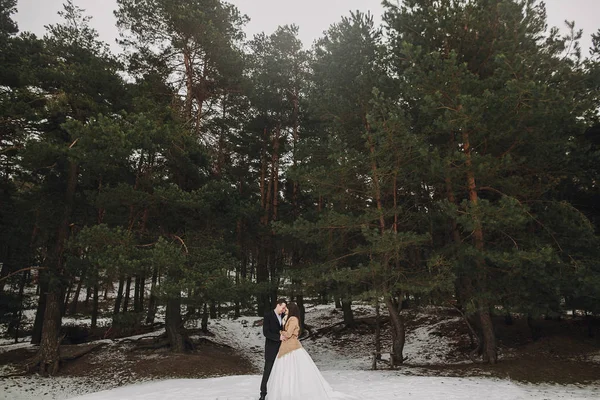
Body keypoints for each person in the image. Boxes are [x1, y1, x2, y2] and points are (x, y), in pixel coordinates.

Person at [266, 302, 354, 400]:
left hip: (291, 347)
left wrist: (280, 332)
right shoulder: (290, 318)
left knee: (292, 370)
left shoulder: (293, 319)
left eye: (287, 309)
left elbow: (289, 333)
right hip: (287, 347)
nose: (285, 310)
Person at [259, 299, 287, 400]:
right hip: (271, 348)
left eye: (285, 308)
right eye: (283, 307)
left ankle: (278, 393)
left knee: (281, 370)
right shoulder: (268, 315)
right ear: (278, 305)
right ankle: (263, 393)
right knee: (268, 370)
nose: (284, 310)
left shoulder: (284, 316)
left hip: (282, 348)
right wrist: (278, 337)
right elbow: (266, 332)